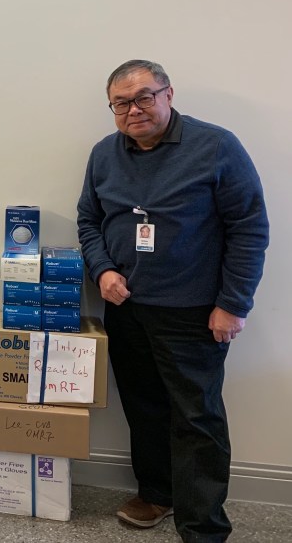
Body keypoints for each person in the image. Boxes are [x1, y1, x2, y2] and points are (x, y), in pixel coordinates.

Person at [77, 59, 268, 542]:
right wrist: (102, 270)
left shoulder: (216, 147)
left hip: (193, 311)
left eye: (144, 96)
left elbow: (249, 228)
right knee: (143, 407)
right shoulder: (104, 154)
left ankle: (203, 525)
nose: (133, 109)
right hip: (126, 307)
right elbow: (88, 221)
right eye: (121, 102)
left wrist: (234, 303)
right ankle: (157, 493)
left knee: (196, 416)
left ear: (168, 94)